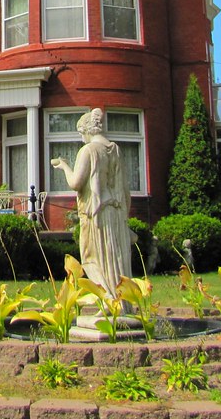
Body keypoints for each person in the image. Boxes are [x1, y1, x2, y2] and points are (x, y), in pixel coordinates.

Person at [51, 108, 131, 298]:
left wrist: (64, 166)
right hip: (117, 216)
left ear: (87, 130)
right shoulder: (116, 150)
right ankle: (121, 301)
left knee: (92, 259)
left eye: (81, 134)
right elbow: (125, 190)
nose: (82, 138)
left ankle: (107, 299)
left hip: (95, 216)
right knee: (116, 259)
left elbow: (75, 183)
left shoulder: (88, 151)